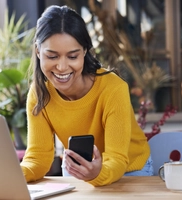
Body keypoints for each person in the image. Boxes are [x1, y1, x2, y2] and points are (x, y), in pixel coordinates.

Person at [20, 5, 153, 187]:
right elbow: (38, 158)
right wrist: (13, 174)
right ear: (38, 51)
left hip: (131, 170)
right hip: (79, 169)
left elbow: (117, 159)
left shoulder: (113, 88)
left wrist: (97, 173)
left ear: (84, 52)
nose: (62, 67)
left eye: (72, 56)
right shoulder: (39, 94)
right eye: (52, 56)